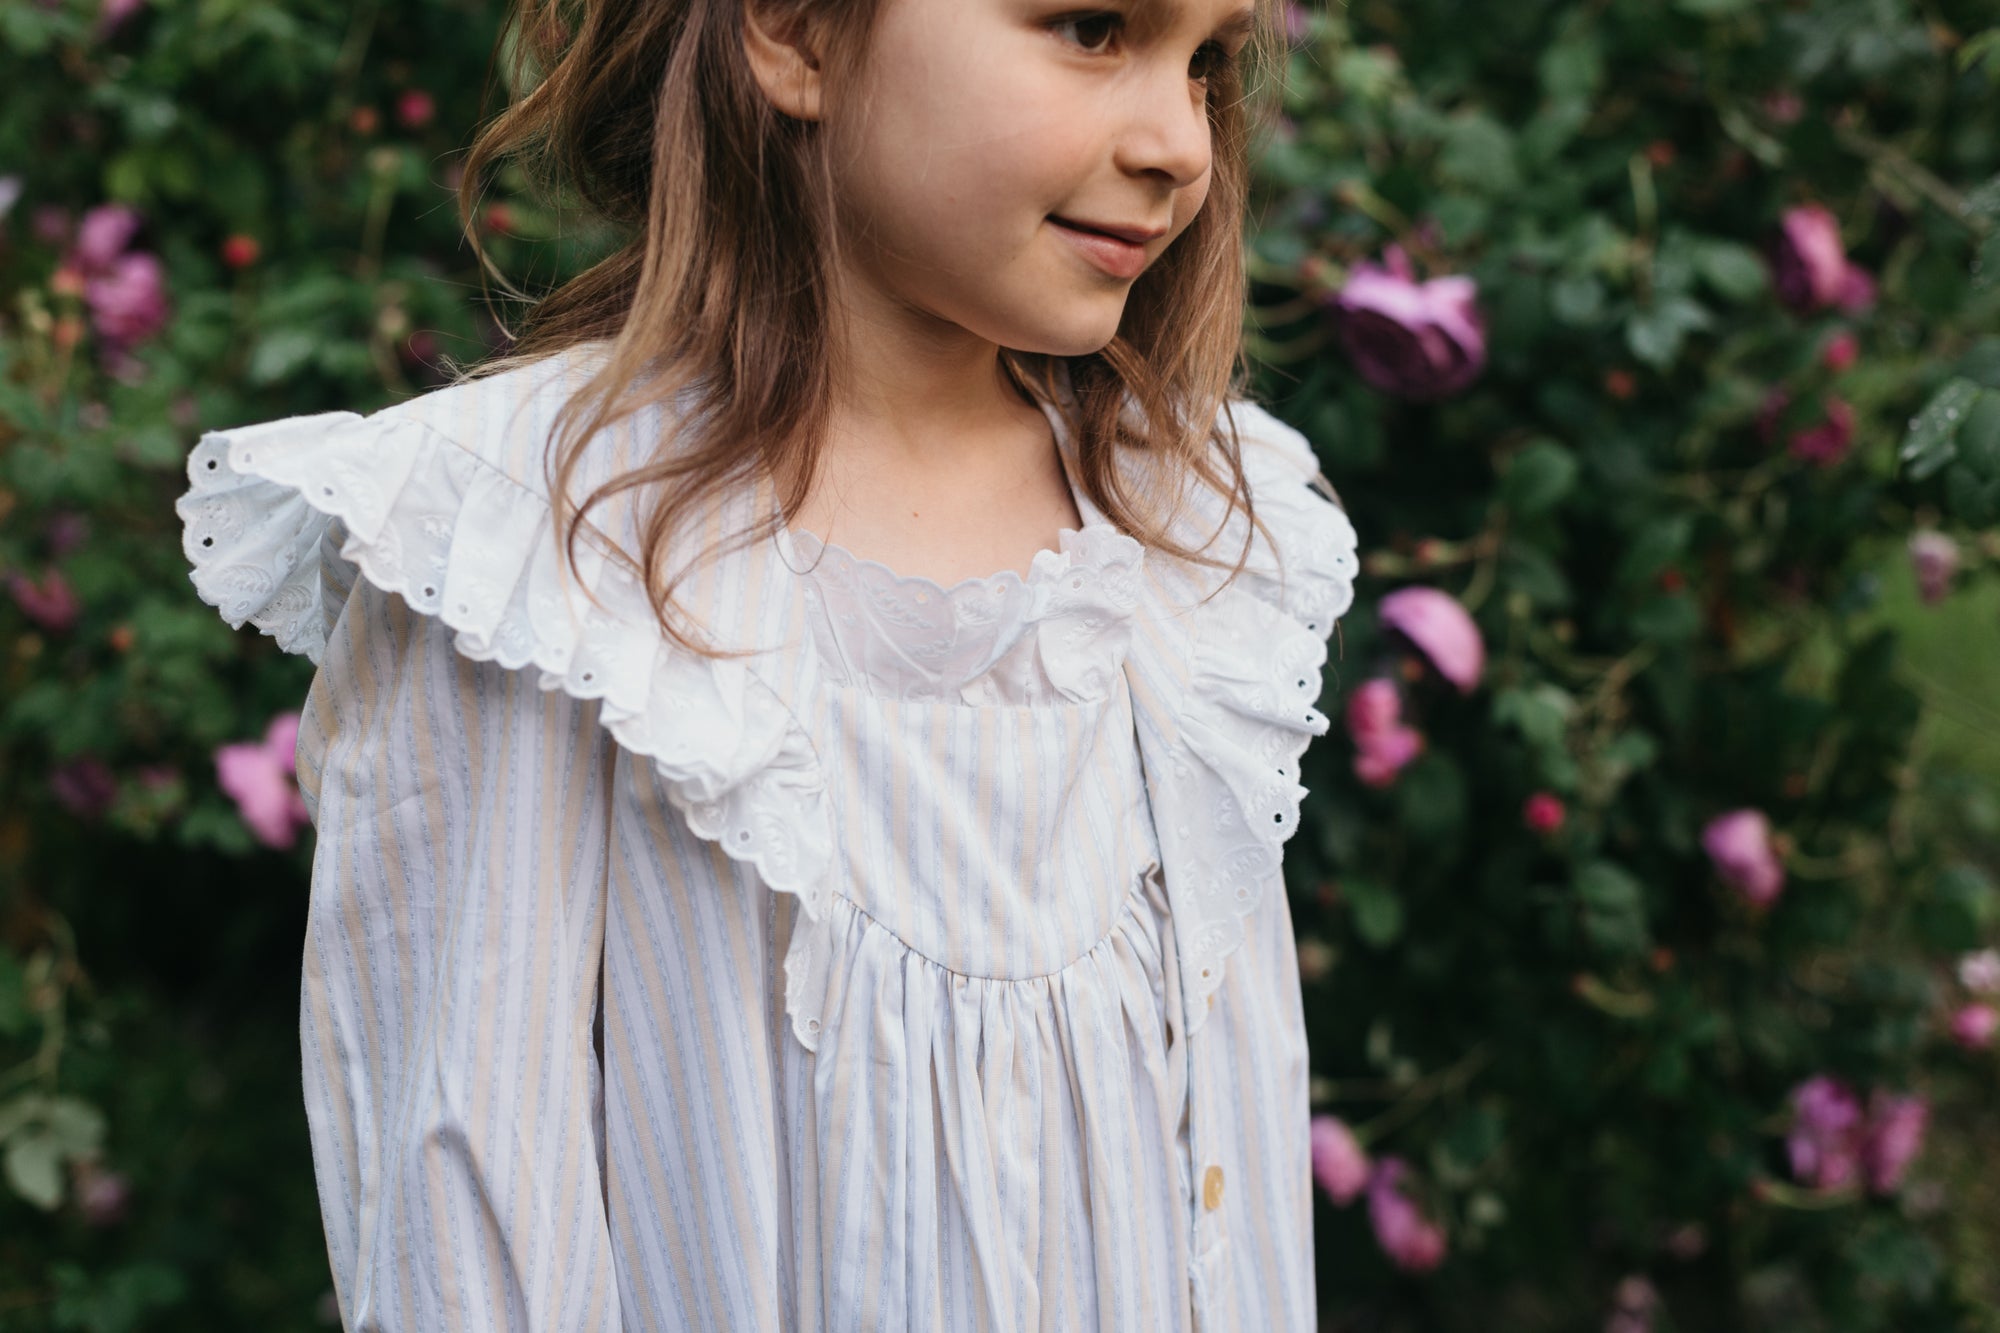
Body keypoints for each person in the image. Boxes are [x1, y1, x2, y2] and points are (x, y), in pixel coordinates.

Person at [174, 0, 1359, 1327]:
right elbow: (470, 1215)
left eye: (1204, 62)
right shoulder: (535, 554)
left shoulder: (1196, 528)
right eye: (1092, 29)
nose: (1179, 145)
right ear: (796, 33)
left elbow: (1233, 1199)